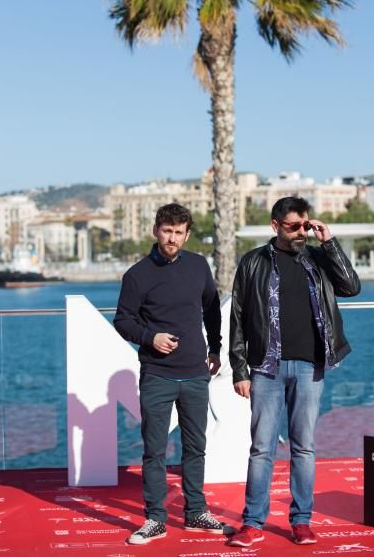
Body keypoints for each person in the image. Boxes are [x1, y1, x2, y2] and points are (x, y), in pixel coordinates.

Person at [227, 196, 360, 547]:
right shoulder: (253, 262)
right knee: (261, 449)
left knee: (303, 448)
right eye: (294, 226)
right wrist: (239, 368)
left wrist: (328, 242)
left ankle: (301, 520)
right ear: (275, 226)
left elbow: (351, 287)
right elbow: (237, 317)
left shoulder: (317, 259)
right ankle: (253, 522)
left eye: (305, 225)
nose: (301, 232)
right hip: (265, 367)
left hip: (309, 365)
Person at [114, 203, 234, 544]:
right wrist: (150, 337)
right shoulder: (137, 275)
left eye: (179, 232)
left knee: (196, 447)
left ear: (187, 234)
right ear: (156, 231)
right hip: (157, 374)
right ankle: (155, 518)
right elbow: (123, 320)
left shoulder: (198, 265)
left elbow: (212, 308)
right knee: (154, 450)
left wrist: (215, 348)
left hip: (196, 373)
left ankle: (196, 511)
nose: (172, 238)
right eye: (167, 231)